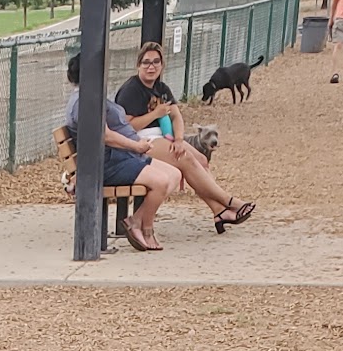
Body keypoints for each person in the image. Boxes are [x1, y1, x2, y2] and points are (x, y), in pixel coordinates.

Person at [66, 55, 252, 252]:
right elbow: (105, 136)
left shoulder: (92, 97)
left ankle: (136, 221)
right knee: (163, 179)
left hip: (123, 155)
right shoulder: (87, 101)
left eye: (156, 62)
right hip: (112, 161)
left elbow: (174, 116)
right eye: (101, 70)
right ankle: (147, 229)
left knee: (175, 174)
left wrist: (173, 139)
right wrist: (135, 145)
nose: (105, 75)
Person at [112, 42, 256, 224]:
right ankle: (230, 202)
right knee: (184, 158)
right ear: (138, 65)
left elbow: (176, 116)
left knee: (201, 160)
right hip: (140, 140)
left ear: (162, 65)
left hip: (164, 136)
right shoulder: (131, 90)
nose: (151, 67)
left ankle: (219, 211)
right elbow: (128, 126)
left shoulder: (161, 88)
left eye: (156, 62)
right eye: (146, 62)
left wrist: (179, 139)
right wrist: (155, 114)